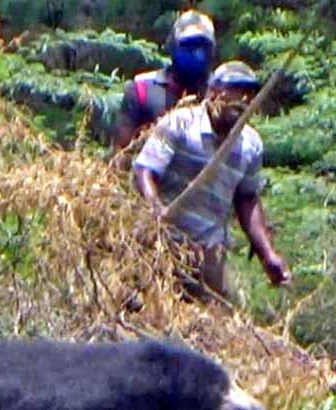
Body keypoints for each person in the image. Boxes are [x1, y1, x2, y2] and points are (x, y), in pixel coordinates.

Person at [132, 61, 291, 300]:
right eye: (236, 90)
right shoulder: (180, 123)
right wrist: (156, 211)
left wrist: (267, 254)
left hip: (209, 251)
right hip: (164, 242)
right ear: (214, 92)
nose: (244, 99)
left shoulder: (251, 144)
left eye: (250, 93)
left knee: (215, 318)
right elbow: (146, 171)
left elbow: (247, 199)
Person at [112, 10, 217, 150]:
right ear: (173, 47)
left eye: (202, 47)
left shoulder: (219, 94)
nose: (196, 55)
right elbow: (121, 153)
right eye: (188, 46)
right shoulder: (142, 89)